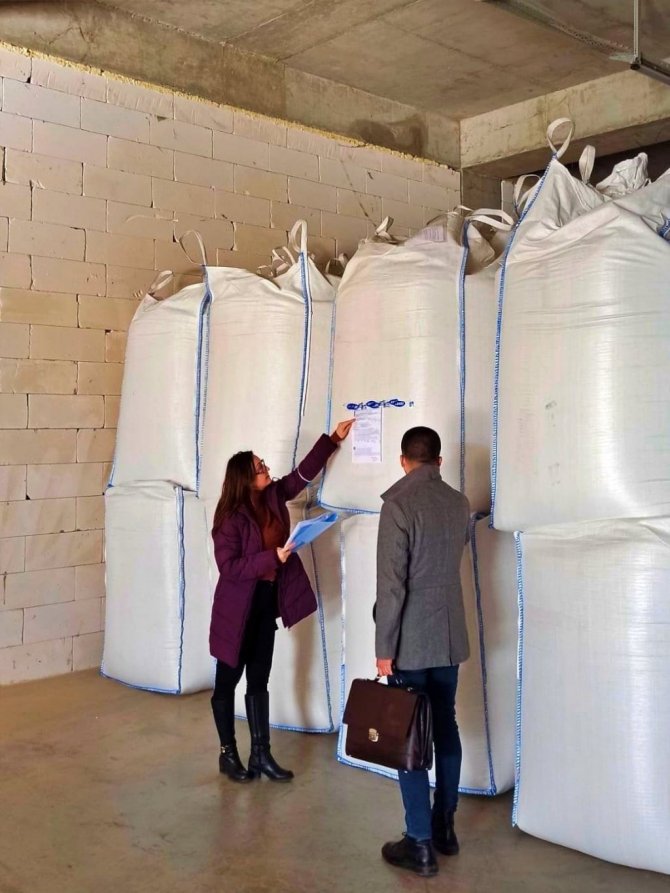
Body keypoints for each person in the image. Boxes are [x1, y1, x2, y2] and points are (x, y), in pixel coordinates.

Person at [209, 420, 354, 783]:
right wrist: (272, 557)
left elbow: (302, 474)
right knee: (226, 682)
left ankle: (261, 754)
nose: (267, 469)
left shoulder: (273, 495)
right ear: (246, 478)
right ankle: (228, 753)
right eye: (261, 467)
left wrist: (333, 440)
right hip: (236, 610)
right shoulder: (229, 518)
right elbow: (229, 567)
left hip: (265, 604)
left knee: (259, 679)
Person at [375, 426, 470, 878]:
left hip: (410, 641)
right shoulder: (459, 503)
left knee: (408, 738)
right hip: (448, 636)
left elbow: (392, 586)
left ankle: (419, 843)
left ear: (403, 461)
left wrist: (384, 648)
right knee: (445, 725)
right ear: (439, 461)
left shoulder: (397, 505)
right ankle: (444, 827)